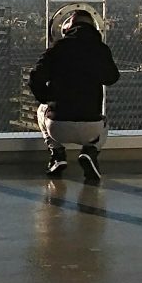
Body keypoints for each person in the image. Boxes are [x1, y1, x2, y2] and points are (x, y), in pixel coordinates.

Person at [29, 10, 120, 180]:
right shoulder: (101, 50)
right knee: (104, 121)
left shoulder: (56, 49)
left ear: (67, 28)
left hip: (58, 125)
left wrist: (47, 97)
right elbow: (112, 78)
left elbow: (35, 78)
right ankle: (90, 151)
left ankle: (57, 154)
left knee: (42, 110)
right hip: (91, 126)